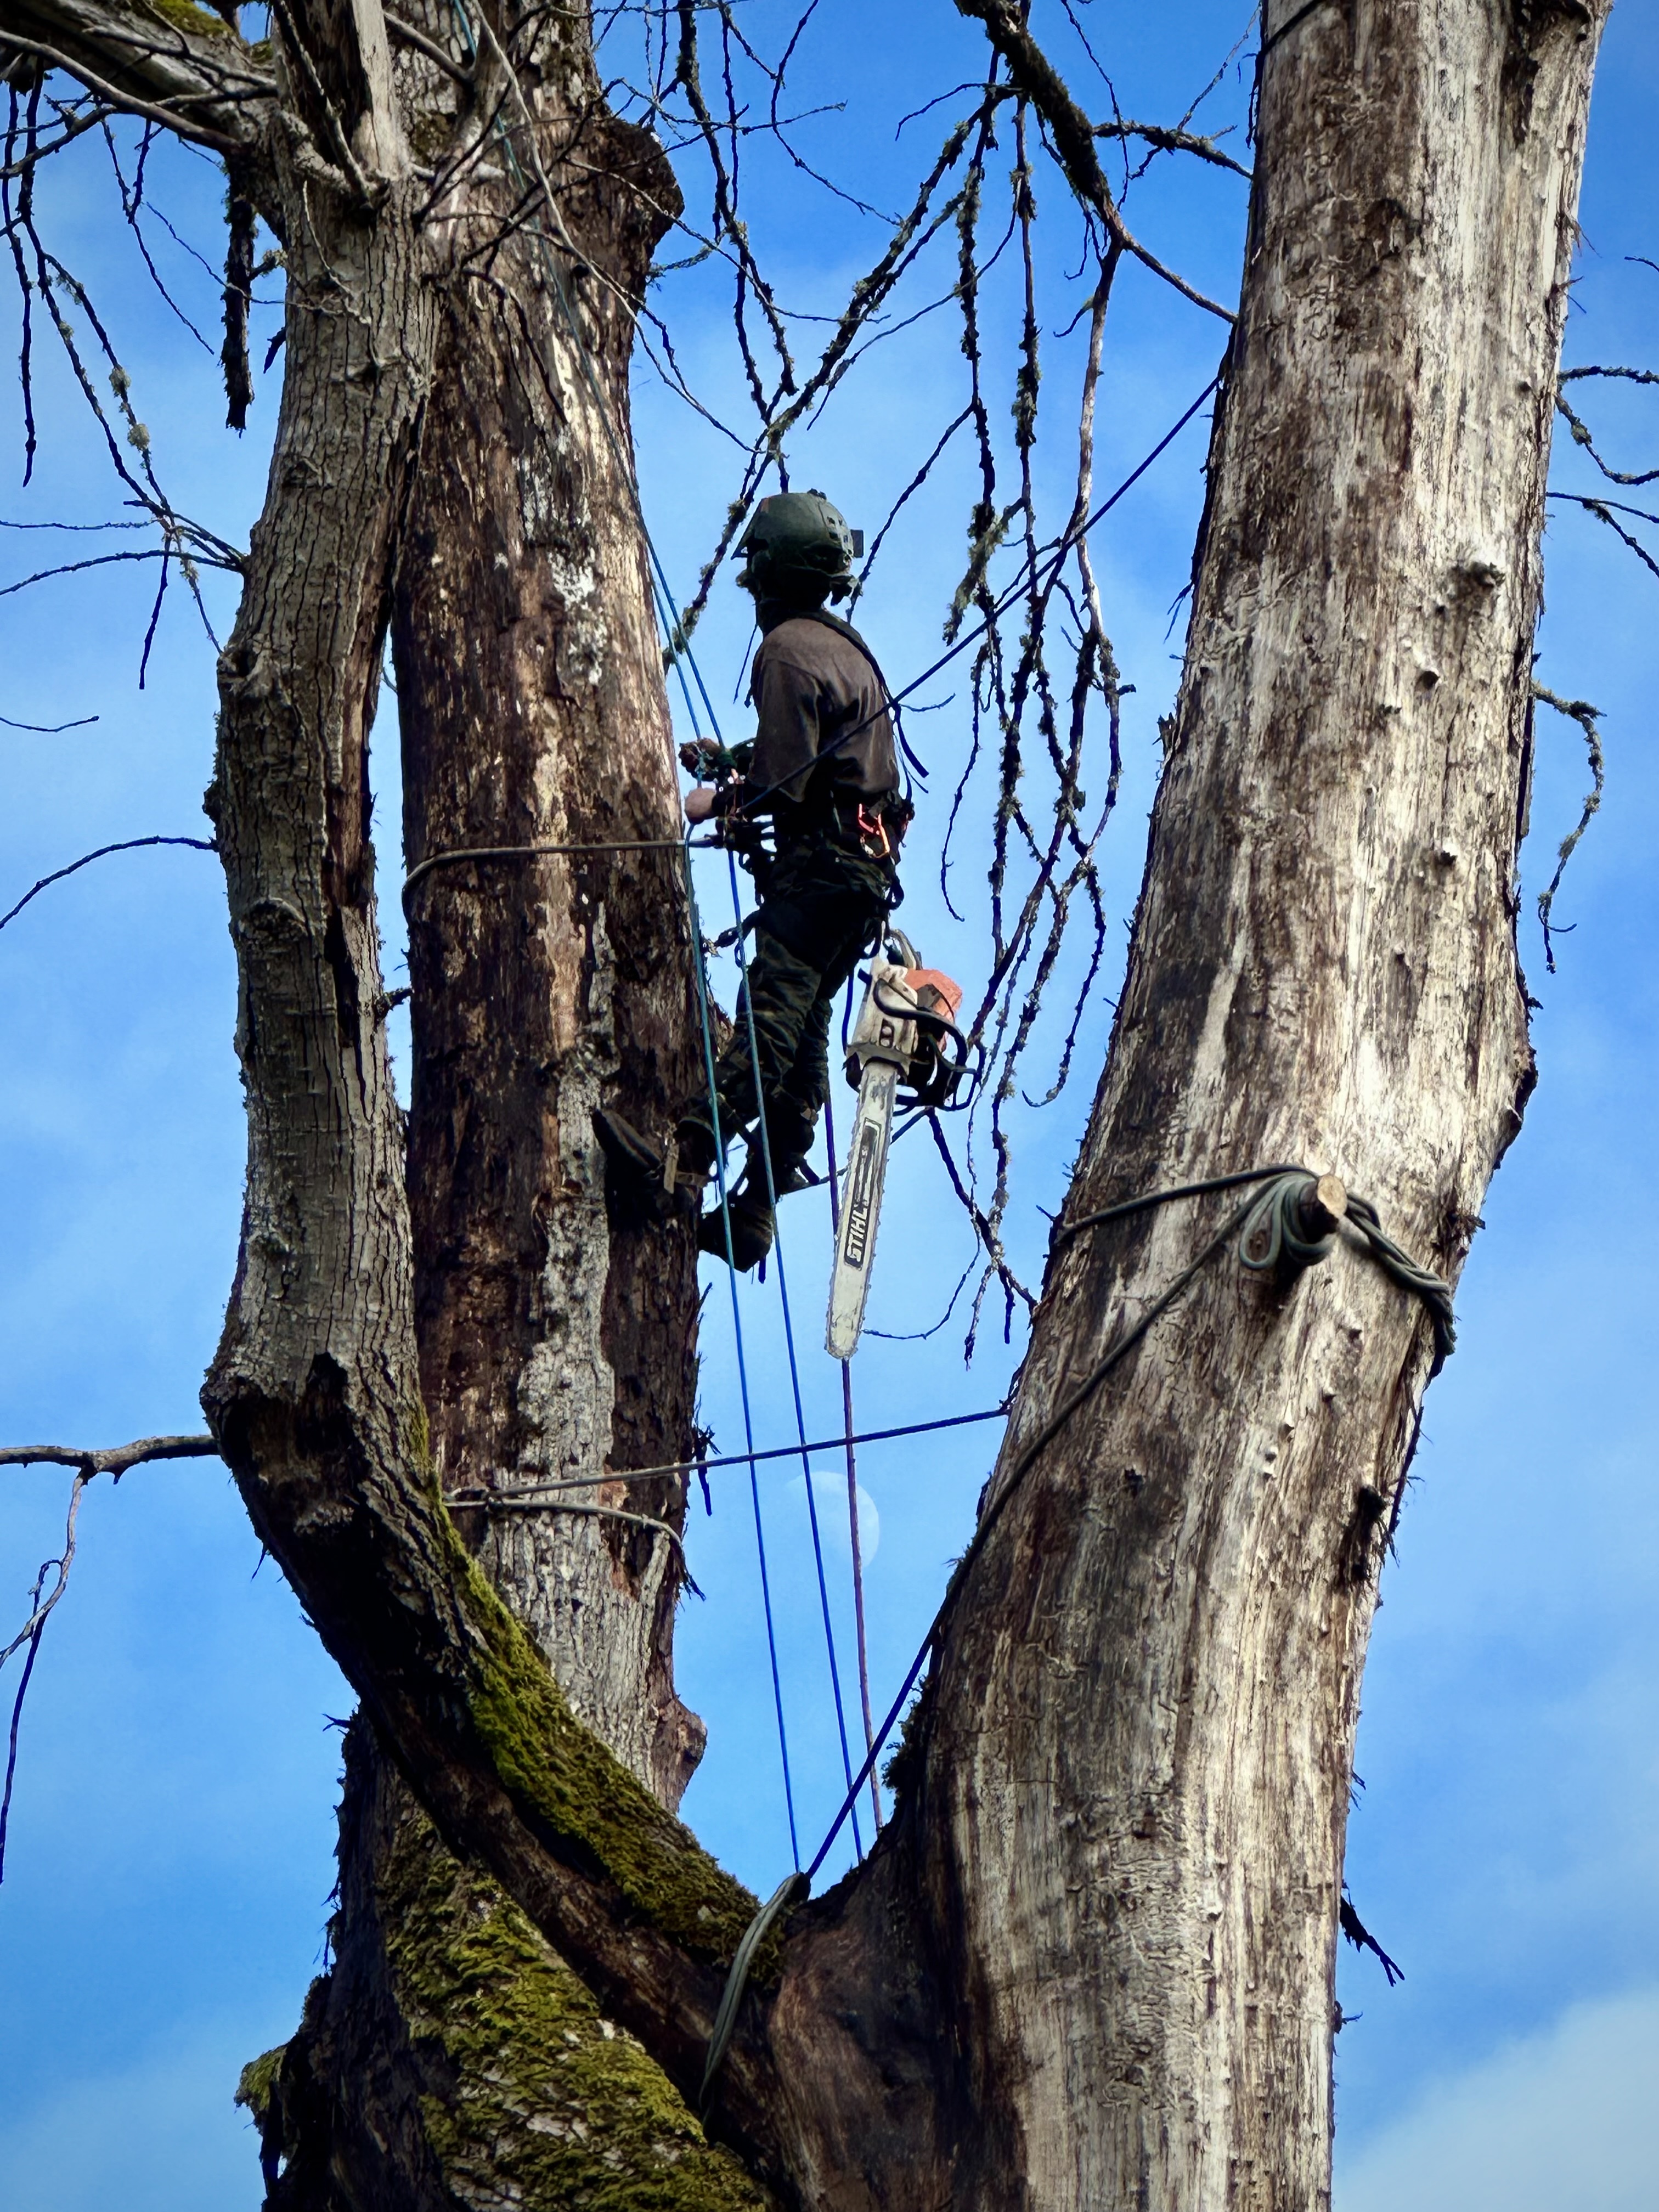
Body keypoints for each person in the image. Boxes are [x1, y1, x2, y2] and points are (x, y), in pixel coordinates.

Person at [600, 489, 909, 1269]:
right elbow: (818, 755)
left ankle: (682, 1158)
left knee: (770, 1020)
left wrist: (717, 798)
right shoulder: (846, 649)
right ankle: (756, 1212)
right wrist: (736, 758)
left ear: (767, 575)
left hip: (821, 874)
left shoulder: (785, 651)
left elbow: (786, 786)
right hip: (861, 880)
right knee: (801, 1038)